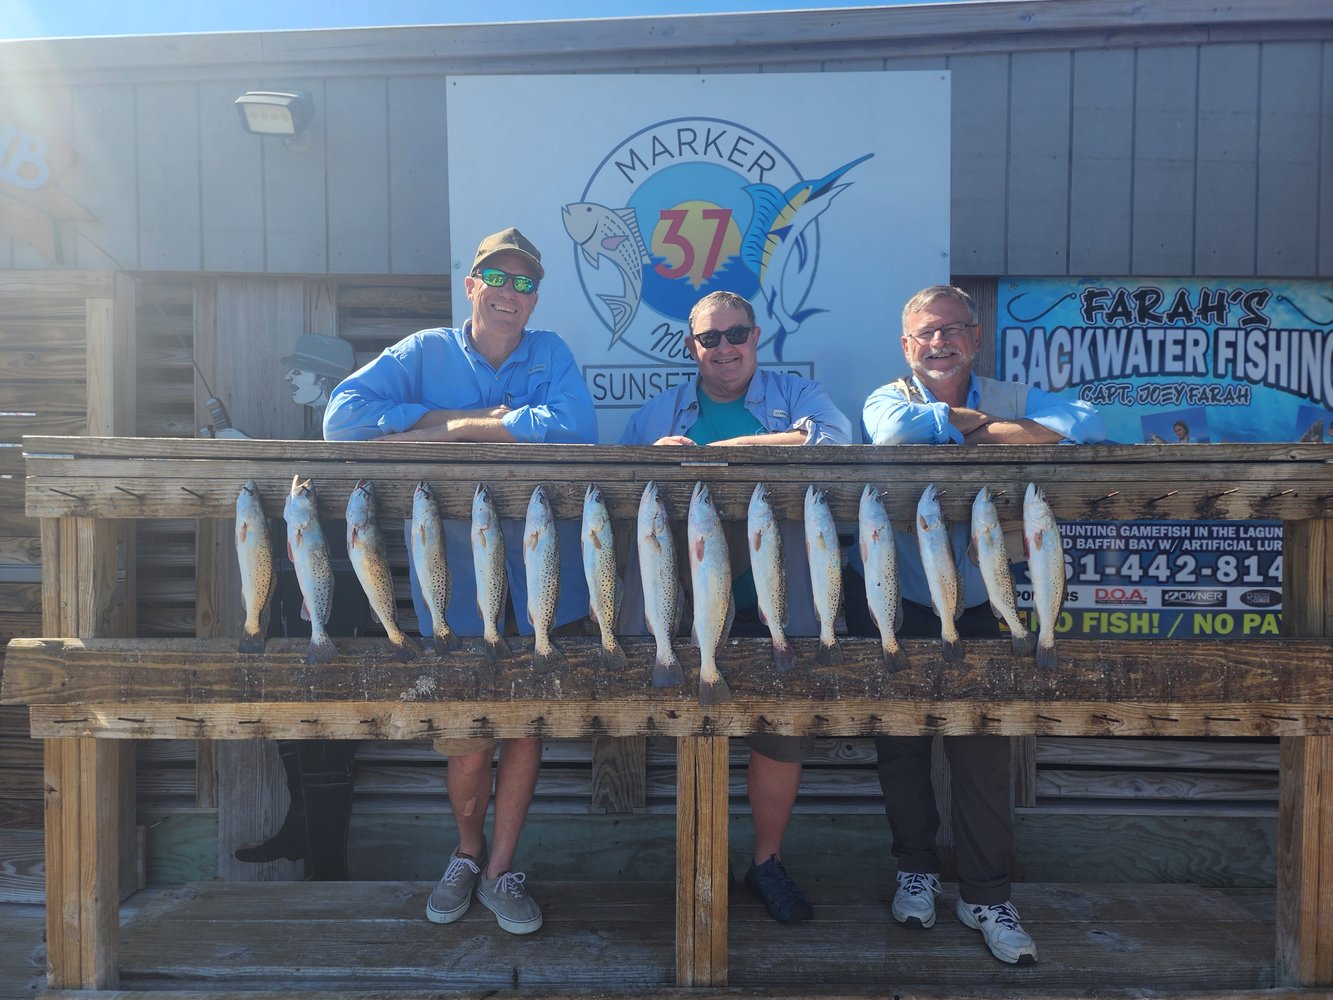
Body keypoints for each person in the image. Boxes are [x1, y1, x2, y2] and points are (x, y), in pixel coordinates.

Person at [323, 226, 599, 935]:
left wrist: (433, 437)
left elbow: (576, 430)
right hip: (456, 586)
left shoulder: (552, 352)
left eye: (526, 284)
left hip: (547, 582)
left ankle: (503, 868)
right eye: (498, 280)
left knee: (527, 729)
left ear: (537, 297)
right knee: (467, 737)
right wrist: (461, 423)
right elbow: (341, 421)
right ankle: (467, 853)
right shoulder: (424, 352)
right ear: (471, 285)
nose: (512, 295)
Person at [845, 284, 1105, 965]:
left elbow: (1076, 420)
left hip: (988, 605)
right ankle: (916, 871)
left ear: (976, 334)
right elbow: (893, 434)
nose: (939, 342)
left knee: (983, 753)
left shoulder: (1015, 392)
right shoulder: (885, 397)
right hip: (896, 599)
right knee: (900, 750)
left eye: (952, 329)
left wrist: (966, 424)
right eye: (925, 333)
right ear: (906, 344)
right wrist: (986, 427)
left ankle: (985, 893)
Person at [619, 289, 852, 925]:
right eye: (709, 338)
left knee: (781, 737)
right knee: (697, 729)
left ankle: (766, 863)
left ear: (757, 337)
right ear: (691, 347)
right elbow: (616, 482)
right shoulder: (655, 413)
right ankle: (702, 867)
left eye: (736, 334)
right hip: (688, 611)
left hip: (785, 602)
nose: (724, 348)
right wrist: (648, 462)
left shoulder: (800, 395)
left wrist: (713, 455)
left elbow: (833, 441)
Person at [233, 331, 363, 882]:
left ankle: (326, 862)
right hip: (294, 591)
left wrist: (246, 448)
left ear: (327, 379)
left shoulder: (345, 432)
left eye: (300, 370)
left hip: (338, 598)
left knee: (330, 721)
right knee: (292, 709)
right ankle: (298, 829)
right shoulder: (312, 433)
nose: (290, 378)